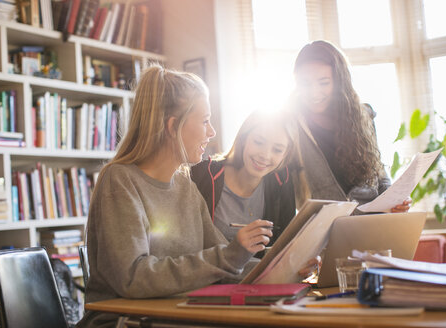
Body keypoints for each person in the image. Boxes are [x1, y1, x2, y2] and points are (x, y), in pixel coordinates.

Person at [77, 66, 313, 327]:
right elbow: (132, 278)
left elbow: (225, 264)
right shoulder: (120, 181)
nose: (211, 132)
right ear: (173, 126)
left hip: (176, 314)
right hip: (123, 320)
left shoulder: (185, 186)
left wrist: (290, 270)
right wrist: (229, 256)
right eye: (204, 121)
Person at [287, 40, 411, 212]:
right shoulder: (290, 123)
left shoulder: (363, 116)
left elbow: (379, 174)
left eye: (323, 83)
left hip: (370, 222)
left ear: (339, 82)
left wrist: (395, 199)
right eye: (305, 83)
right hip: (324, 227)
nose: (314, 92)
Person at [191, 110, 305, 247]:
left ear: (286, 154)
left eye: (277, 150)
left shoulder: (282, 179)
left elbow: (287, 243)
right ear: (244, 139)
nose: (265, 155)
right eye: (258, 142)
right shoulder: (203, 174)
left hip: (263, 268)